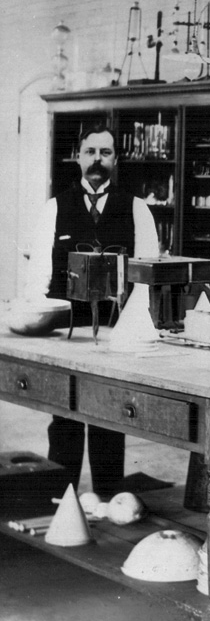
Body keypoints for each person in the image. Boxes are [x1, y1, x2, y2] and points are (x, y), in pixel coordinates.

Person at [26, 123, 160, 494]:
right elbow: (38, 273)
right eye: (90, 152)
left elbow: (147, 276)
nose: (97, 160)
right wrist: (40, 328)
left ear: (116, 159)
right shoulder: (55, 208)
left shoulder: (136, 209)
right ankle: (59, 500)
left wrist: (134, 331)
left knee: (109, 419)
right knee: (65, 418)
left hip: (117, 331)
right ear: (78, 157)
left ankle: (107, 498)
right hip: (67, 332)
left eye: (105, 153)